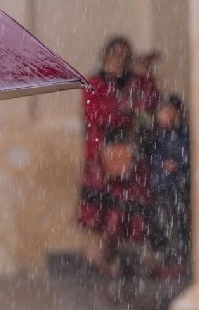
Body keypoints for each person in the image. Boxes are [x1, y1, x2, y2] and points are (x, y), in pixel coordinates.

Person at [79, 36, 159, 275]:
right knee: (105, 213)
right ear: (105, 56)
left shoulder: (135, 82)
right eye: (115, 54)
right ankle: (101, 256)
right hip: (102, 155)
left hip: (129, 154)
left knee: (124, 211)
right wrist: (128, 111)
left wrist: (145, 74)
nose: (119, 60)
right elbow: (99, 115)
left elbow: (149, 104)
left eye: (124, 55)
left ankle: (107, 258)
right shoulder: (95, 83)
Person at [77, 129, 152, 276]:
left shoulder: (103, 160)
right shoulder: (101, 162)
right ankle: (105, 262)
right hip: (112, 204)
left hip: (114, 203)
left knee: (111, 236)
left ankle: (106, 262)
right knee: (110, 236)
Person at [148, 94, 192, 275]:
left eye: (167, 111)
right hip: (161, 186)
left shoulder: (183, 135)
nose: (163, 116)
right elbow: (151, 157)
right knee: (163, 222)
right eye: (161, 112)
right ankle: (167, 258)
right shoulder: (156, 136)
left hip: (178, 185)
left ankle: (179, 258)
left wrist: (179, 164)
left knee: (178, 222)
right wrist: (160, 165)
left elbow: (188, 155)